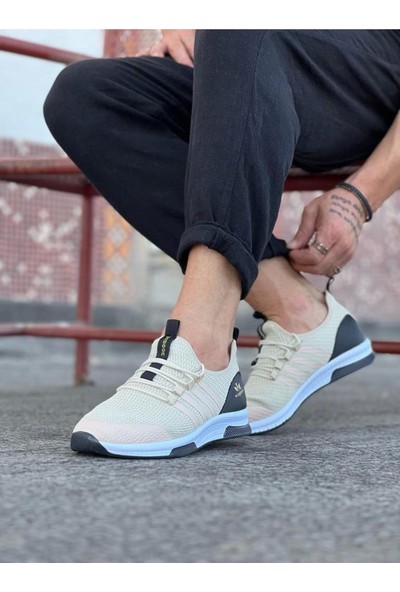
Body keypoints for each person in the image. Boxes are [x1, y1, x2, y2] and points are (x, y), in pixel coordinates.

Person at [43, 30, 400, 458]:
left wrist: (359, 197)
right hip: (257, 56)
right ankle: (300, 312)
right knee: (84, 95)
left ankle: (202, 350)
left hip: (369, 81)